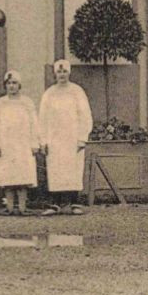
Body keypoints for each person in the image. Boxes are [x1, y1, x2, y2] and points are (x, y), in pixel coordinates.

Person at [38, 58, 93, 215]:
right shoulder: (49, 94)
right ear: (55, 74)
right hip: (55, 139)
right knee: (56, 170)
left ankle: (74, 202)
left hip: (72, 138)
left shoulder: (77, 91)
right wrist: (43, 140)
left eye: (64, 71)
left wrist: (82, 137)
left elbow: (85, 115)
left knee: (73, 169)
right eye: (59, 72)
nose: (62, 75)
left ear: (69, 73)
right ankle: (55, 203)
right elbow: (43, 118)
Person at [0, 69, 40, 215]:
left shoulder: (27, 102)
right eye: (9, 83)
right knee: (8, 177)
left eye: (14, 83)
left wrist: (34, 143)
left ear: (19, 85)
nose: (12, 86)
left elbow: (34, 124)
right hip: (6, 144)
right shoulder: (0, 103)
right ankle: (10, 207)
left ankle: (22, 207)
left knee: (23, 177)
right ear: (5, 85)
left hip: (22, 145)